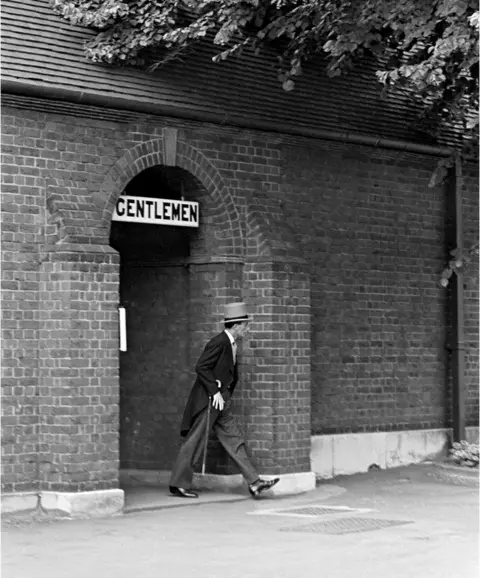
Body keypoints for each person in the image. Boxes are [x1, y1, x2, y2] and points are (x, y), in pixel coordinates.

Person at [169, 302, 279, 499]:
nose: (247, 329)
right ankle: (178, 484)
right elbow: (201, 366)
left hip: (222, 402)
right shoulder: (219, 342)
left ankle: (254, 482)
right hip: (210, 402)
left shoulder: (231, 344)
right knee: (195, 441)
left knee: (235, 440)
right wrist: (214, 391)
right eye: (245, 325)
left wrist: (223, 393)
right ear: (236, 326)